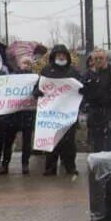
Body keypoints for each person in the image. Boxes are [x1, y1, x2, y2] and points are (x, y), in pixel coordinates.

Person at [36, 45, 80, 176]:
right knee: (52, 141)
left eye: (63, 54)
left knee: (69, 143)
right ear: (53, 56)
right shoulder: (46, 71)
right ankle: (50, 167)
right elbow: (37, 87)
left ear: (67, 56)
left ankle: (70, 167)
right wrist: (37, 92)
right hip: (51, 115)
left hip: (68, 114)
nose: (61, 57)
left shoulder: (73, 72)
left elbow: (82, 86)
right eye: (58, 54)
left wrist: (82, 90)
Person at [81, 49, 111, 154]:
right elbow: (84, 91)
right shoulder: (89, 75)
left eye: (101, 58)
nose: (98, 60)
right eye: (96, 58)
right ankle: (97, 164)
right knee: (96, 142)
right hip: (95, 113)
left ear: (106, 59)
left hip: (110, 111)